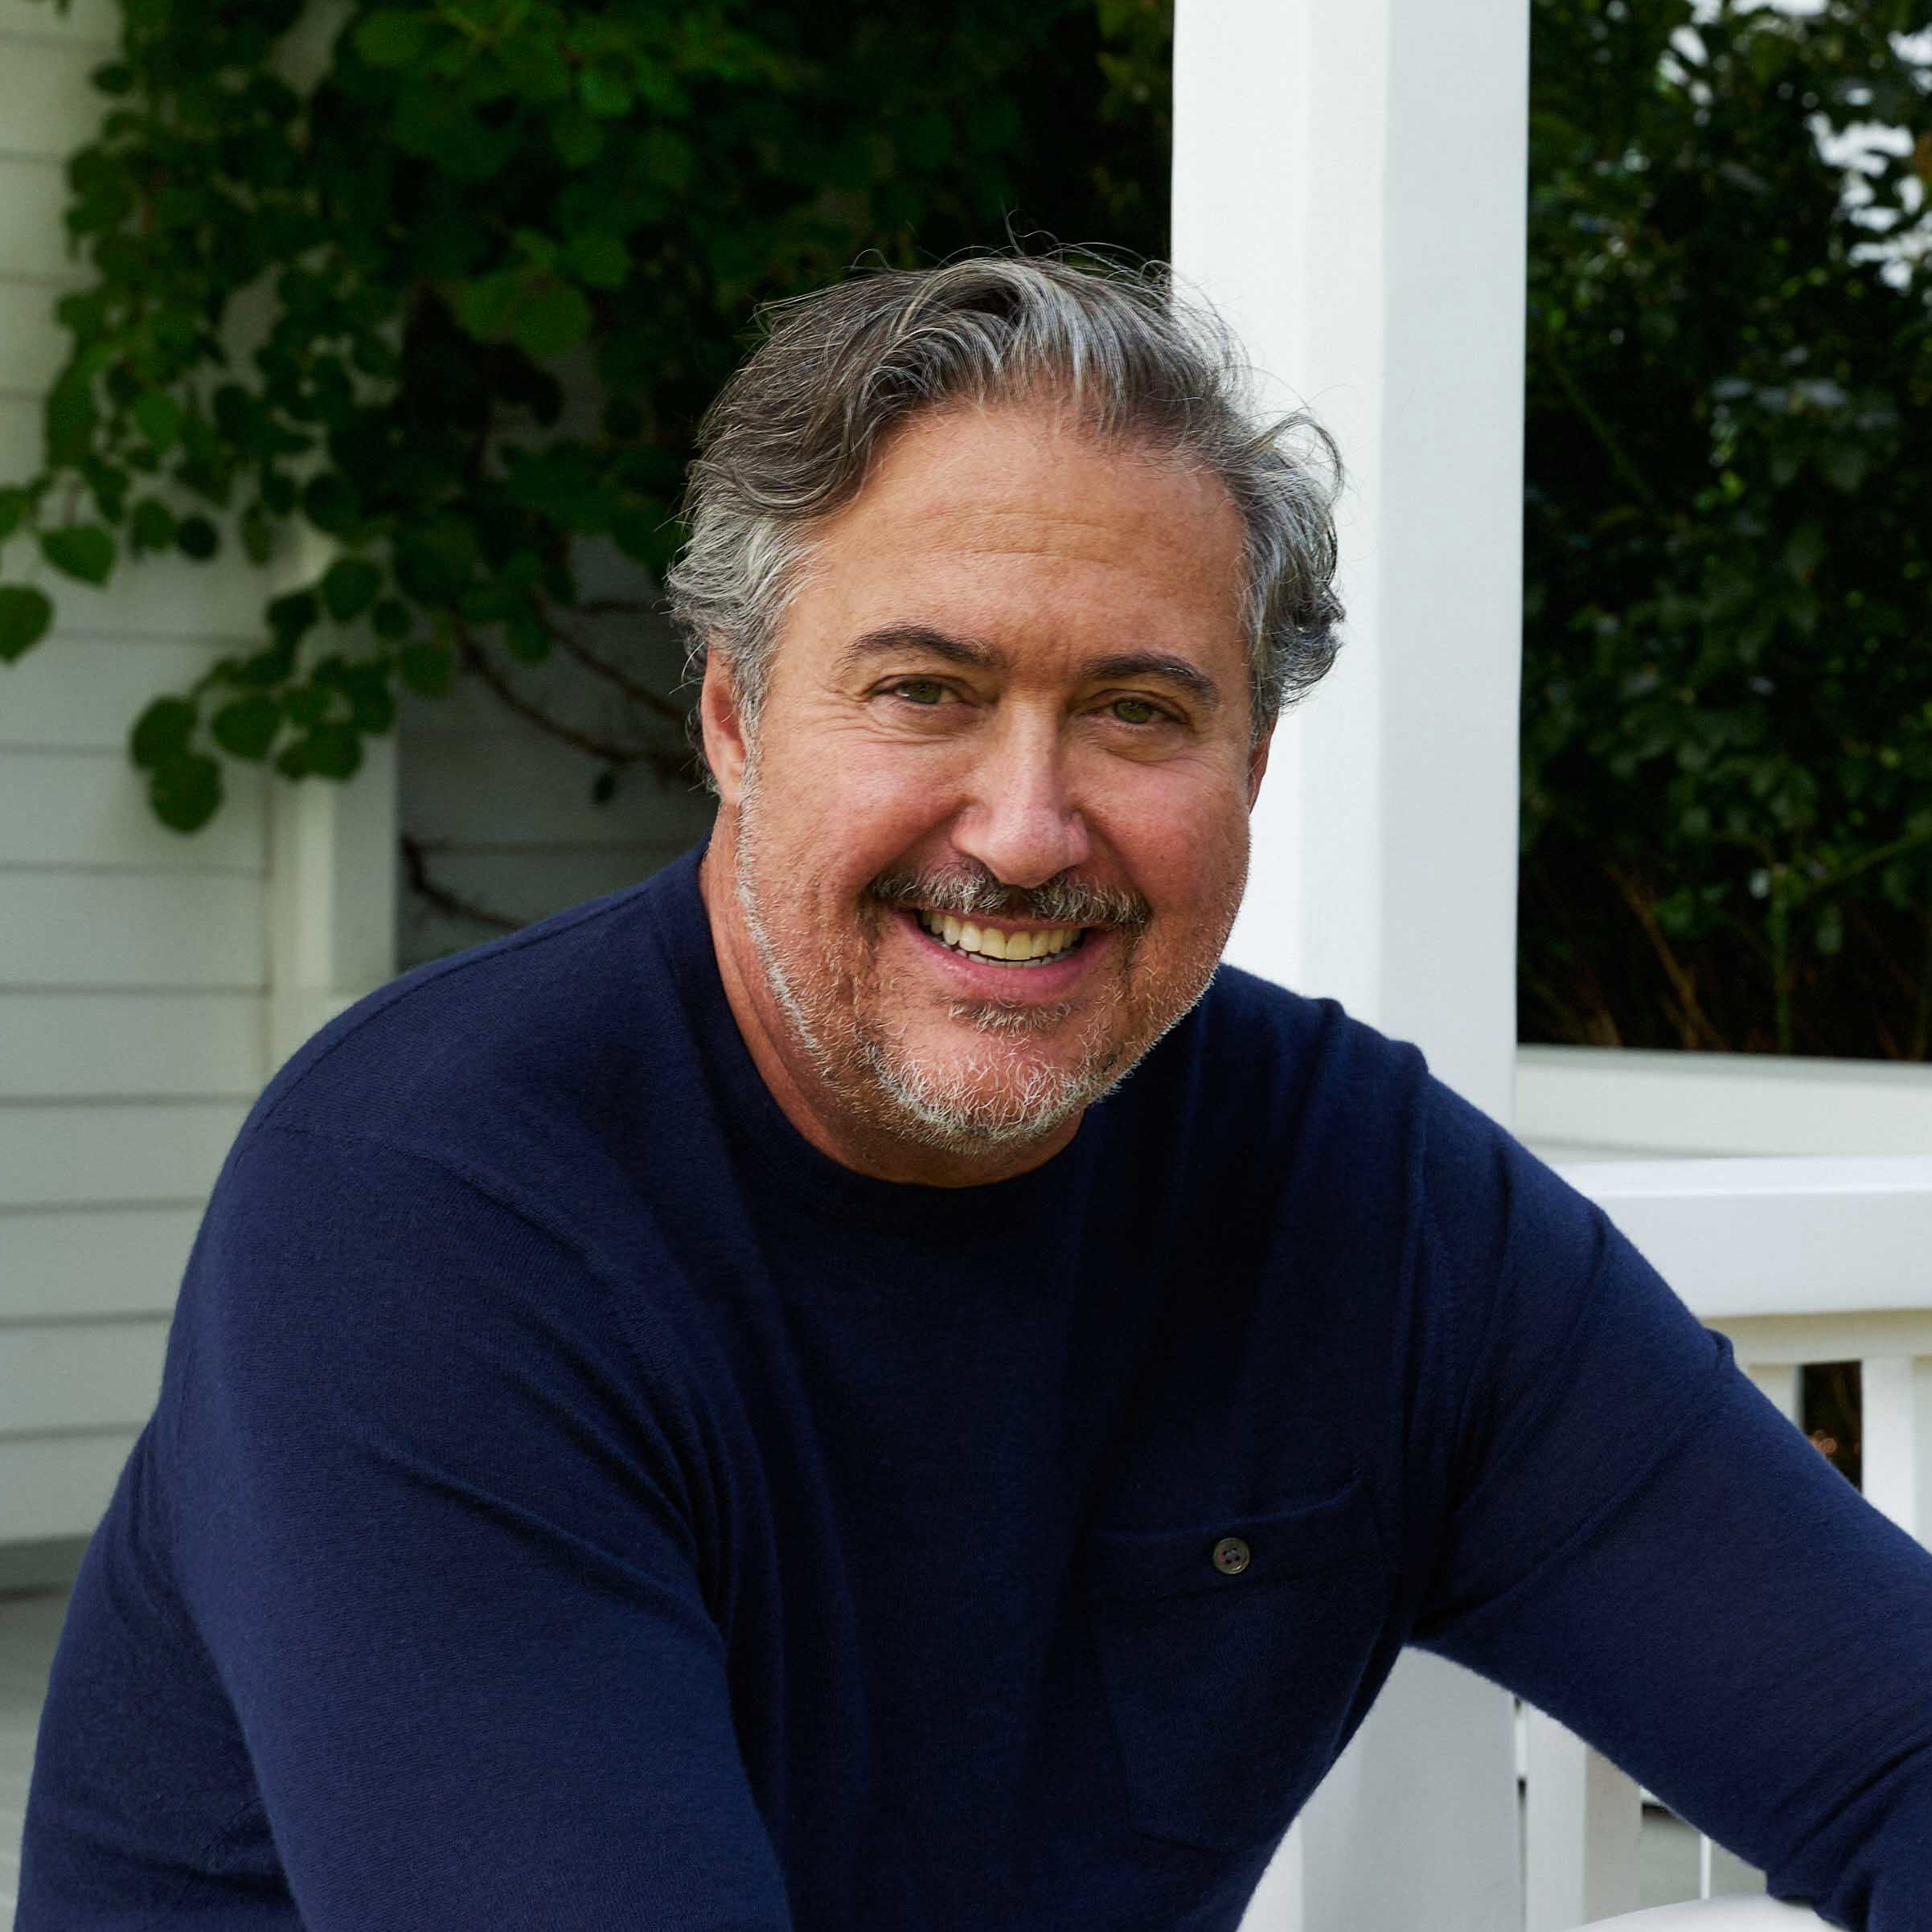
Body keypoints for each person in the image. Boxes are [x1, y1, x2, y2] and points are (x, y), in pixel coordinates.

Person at [18, 256, 1932, 1931]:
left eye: (1136, 710)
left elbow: (1888, 1742)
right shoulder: (425, 1208)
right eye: (923, 690)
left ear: (1249, 762)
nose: (1024, 832)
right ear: (731, 719)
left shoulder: (1356, 1195)